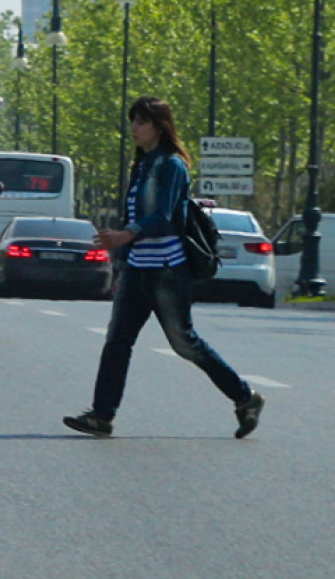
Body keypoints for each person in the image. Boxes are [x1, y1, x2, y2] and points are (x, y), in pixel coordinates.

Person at [63, 96, 264, 438]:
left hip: (167, 271)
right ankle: (101, 415)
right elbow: (132, 215)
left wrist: (125, 236)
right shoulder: (140, 166)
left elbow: (165, 216)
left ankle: (245, 398)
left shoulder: (171, 166)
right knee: (117, 341)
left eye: (141, 122)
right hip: (138, 269)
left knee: (184, 343)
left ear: (159, 126)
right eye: (133, 121)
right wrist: (122, 265)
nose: (134, 128)